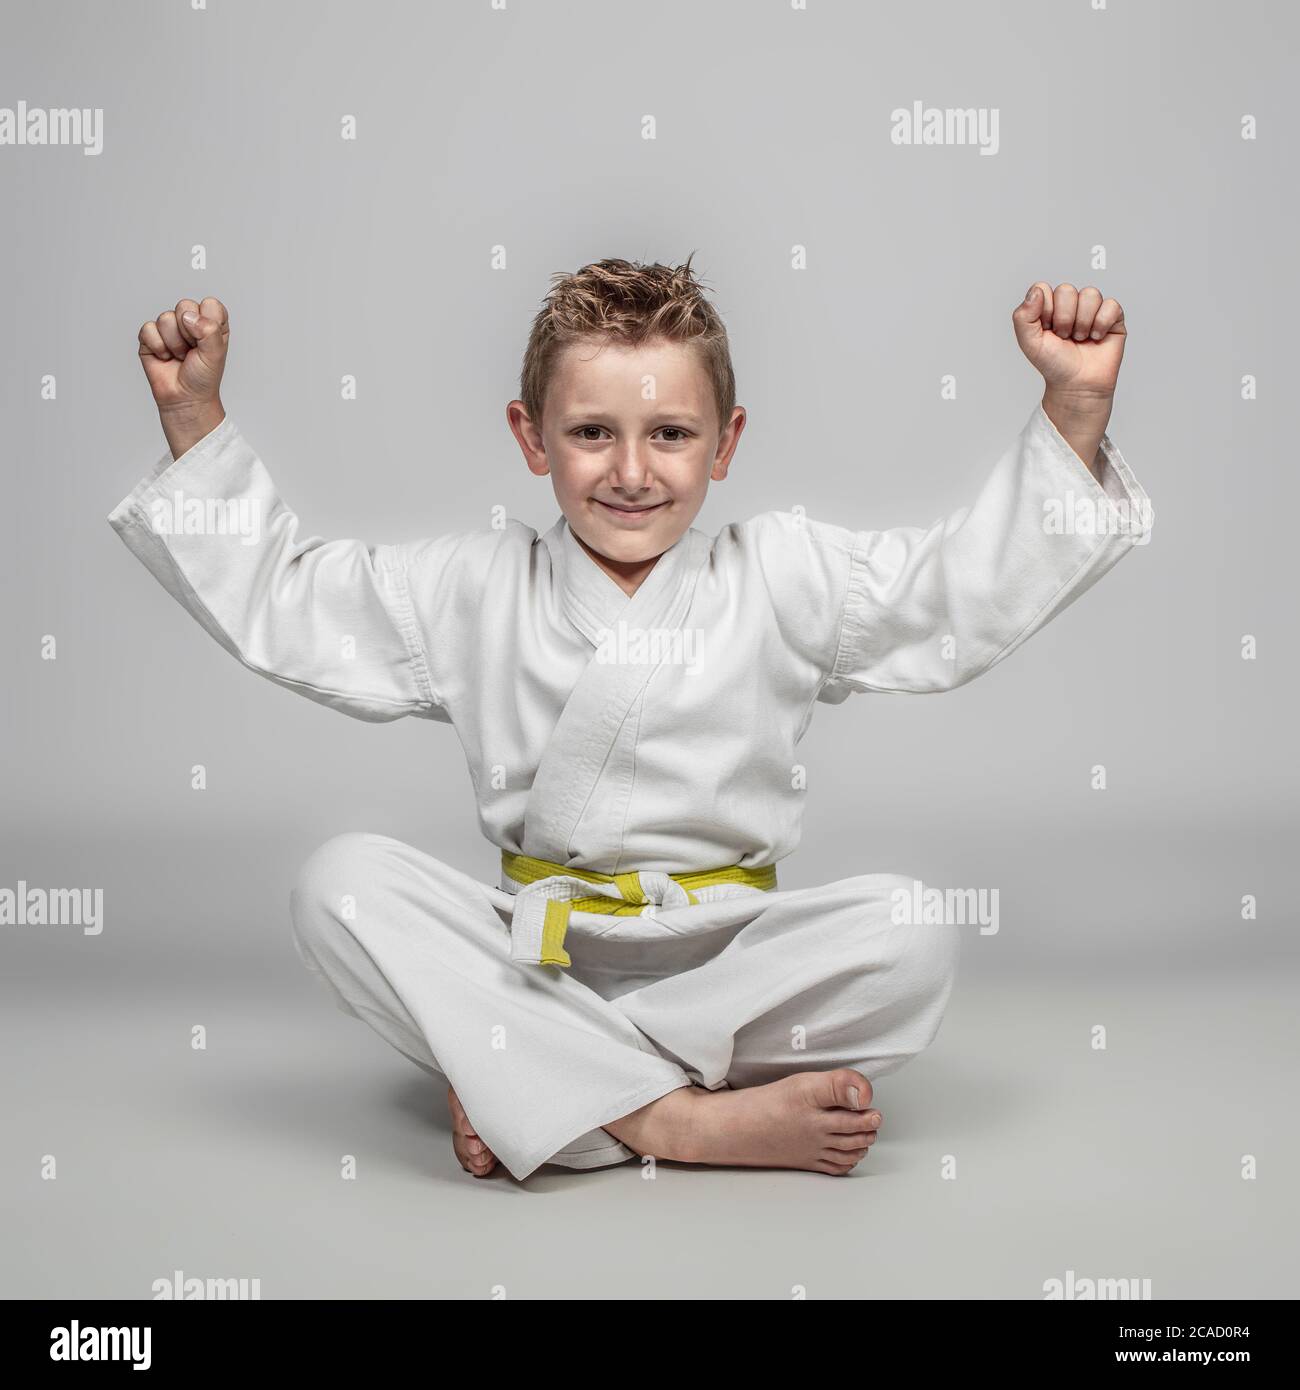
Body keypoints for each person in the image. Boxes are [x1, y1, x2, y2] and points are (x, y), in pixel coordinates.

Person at [111, 257, 1151, 1181]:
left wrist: (1071, 413)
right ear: (531, 437)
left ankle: (545, 1083)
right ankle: (678, 1120)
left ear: (725, 442)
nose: (631, 471)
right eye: (592, 433)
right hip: (533, 947)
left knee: (913, 928)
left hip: (732, 959)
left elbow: (954, 593)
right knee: (338, 885)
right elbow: (295, 606)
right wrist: (194, 423)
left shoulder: (783, 573)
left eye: (669, 433)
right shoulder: (475, 587)